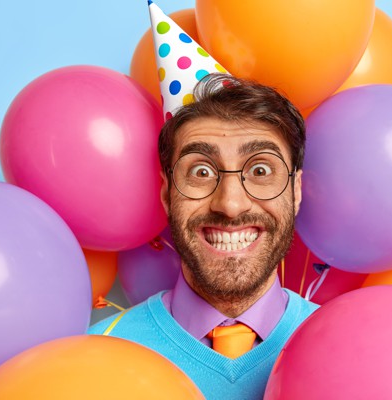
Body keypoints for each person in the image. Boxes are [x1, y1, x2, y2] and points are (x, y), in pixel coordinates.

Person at [88, 74, 318, 399]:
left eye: (261, 171)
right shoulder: (95, 358)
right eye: (201, 172)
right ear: (167, 194)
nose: (230, 204)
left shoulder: (351, 346)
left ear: (295, 191)